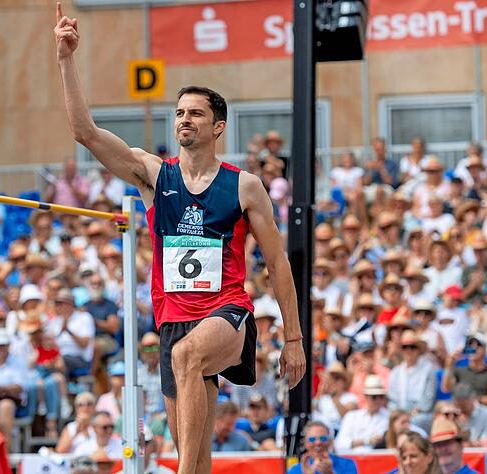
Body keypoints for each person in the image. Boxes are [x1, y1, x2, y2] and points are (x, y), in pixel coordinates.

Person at [55, 6, 305, 474]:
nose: (185, 119)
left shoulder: (245, 186)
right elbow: (84, 133)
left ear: (218, 127)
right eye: (180, 113)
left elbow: (278, 265)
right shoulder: (153, 175)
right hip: (172, 319)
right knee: (193, 449)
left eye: (196, 113)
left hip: (226, 315)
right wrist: (65, 58)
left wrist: (293, 338)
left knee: (186, 357)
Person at [335, 375, 390, 451]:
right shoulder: (351, 416)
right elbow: (340, 444)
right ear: (366, 397)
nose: (377, 400)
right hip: (352, 459)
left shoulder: (389, 417)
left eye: (380, 396)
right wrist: (366, 441)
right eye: (374, 397)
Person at [287, 421, 358, 474]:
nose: (318, 443)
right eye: (312, 439)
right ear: (305, 443)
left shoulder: (347, 464)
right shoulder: (295, 470)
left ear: (330, 442)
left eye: (323, 438)